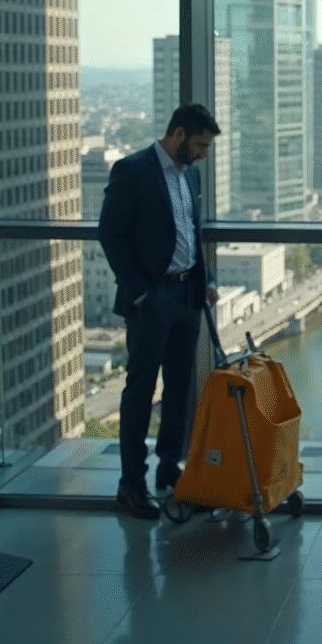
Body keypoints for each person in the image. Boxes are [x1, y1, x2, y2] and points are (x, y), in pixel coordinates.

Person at [98, 103, 221, 520]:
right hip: (151, 301)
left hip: (188, 297)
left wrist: (205, 283)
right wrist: (138, 295)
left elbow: (191, 233)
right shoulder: (132, 171)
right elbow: (110, 233)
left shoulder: (192, 174)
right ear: (179, 134)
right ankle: (131, 483)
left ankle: (170, 467)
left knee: (179, 388)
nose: (204, 154)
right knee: (139, 392)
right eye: (201, 144)